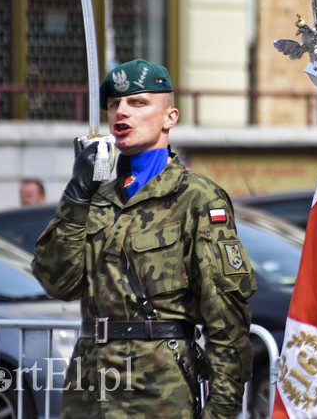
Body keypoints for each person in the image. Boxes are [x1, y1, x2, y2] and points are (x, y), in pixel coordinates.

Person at [32, 59, 256, 418]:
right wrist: (76, 194)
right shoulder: (95, 193)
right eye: (114, 104)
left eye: (138, 103)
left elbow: (225, 316)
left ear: (170, 117)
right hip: (89, 386)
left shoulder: (195, 197)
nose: (122, 112)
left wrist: (222, 408)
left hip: (158, 391)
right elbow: (58, 282)